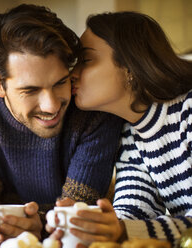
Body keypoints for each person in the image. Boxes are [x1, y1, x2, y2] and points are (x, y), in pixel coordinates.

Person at [0, 4, 123, 248]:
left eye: (61, 82)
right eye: (30, 90)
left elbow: (77, 214)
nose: (51, 106)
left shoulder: (94, 108)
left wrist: (38, 224)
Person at [60, 11, 192, 247]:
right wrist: (99, 225)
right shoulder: (131, 133)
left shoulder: (188, 110)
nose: (73, 74)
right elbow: (135, 209)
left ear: (130, 66)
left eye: (86, 60)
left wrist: (123, 231)